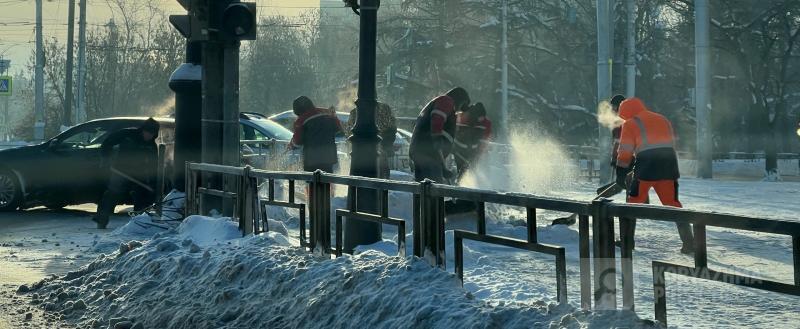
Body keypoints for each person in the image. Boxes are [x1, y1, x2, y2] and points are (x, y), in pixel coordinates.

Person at [615, 97, 695, 254]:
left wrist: (621, 173)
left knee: (631, 205)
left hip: (646, 168)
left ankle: (627, 242)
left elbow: (625, 152)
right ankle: (689, 243)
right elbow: (668, 143)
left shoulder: (630, 123)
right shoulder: (662, 118)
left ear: (626, 112)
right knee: (673, 204)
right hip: (669, 165)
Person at [92, 118, 160, 229]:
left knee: (142, 196)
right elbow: (108, 142)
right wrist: (106, 159)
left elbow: (153, 165)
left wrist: (152, 182)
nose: (148, 136)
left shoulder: (151, 145)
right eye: (147, 132)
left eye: (151, 134)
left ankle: (139, 223)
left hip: (139, 174)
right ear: (142, 130)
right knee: (113, 193)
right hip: (121, 170)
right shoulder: (127, 134)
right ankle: (101, 219)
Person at [409, 87, 471, 183]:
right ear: (460, 99)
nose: (458, 110)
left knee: (423, 189)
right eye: (462, 105)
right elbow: (437, 119)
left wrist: (442, 167)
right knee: (434, 190)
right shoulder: (446, 101)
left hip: (424, 152)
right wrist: (437, 138)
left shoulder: (441, 102)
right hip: (428, 154)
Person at [288, 96, 341, 173]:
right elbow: (338, 129)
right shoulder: (327, 112)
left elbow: (297, 142)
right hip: (329, 156)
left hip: (312, 159)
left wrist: (291, 144)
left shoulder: (301, 120)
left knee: (313, 182)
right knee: (327, 180)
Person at [346, 102, 397, 179]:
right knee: (381, 177)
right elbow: (391, 129)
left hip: (359, 152)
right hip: (378, 151)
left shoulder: (355, 112)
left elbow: (348, 132)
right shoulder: (383, 110)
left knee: (359, 178)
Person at [453, 102, 492, 182]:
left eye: (482, 117)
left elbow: (485, 140)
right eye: (480, 117)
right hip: (459, 149)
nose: (481, 119)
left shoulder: (486, 123)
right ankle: (458, 184)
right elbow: (452, 129)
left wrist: (479, 154)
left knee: (472, 169)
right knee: (461, 169)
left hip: (474, 150)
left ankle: (470, 184)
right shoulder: (461, 117)